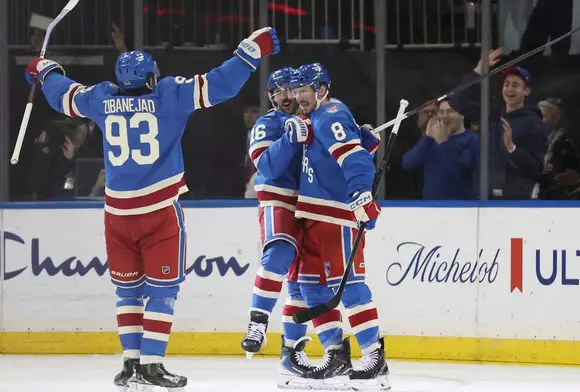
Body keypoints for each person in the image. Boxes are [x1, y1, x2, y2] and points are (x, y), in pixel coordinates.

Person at [24, 27, 280, 391]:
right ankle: (152, 365)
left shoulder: (100, 98)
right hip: (158, 211)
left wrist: (44, 69)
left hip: (117, 215)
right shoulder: (170, 95)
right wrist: (250, 51)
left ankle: (131, 365)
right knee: (162, 292)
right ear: (151, 77)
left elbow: (63, 96)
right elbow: (222, 84)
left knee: (127, 293)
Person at [285, 63, 390, 391]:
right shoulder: (315, 117)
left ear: (322, 89)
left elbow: (354, 160)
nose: (298, 96)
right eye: (296, 89)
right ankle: (336, 354)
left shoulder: (329, 113)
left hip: (335, 215)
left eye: (305, 89)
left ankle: (374, 358)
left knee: (353, 285)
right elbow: (332, 155)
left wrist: (361, 196)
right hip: (312, 214)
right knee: (310, 285)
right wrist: (365, 140)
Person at [240, 66, 315, 387]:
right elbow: (266, 166)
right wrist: (289, 136)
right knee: (279, 254)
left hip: (313, 204)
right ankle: (257, 321)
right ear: (271, 96)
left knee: (301, 282)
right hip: (280, 200)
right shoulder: (266, 124)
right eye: (279, 91)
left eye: (292, 89)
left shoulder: (317, 118)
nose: (287, 96)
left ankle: (292, 353)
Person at [448, 48, 548, 199]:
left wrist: (512, 149)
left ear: (526, 91)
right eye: (507, 84)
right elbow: (457, 101)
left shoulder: (534, 123)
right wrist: (478, 72)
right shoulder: (492, 115)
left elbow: (535, 167)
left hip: (517, 201)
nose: (509, 88)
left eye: (515, 84)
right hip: (485, 198)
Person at [401, 99, 480, 200]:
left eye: (450, 111)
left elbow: (457, 172)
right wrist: (427, 137)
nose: (445, 116)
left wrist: (443, 143)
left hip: (460, 209)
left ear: (462, 114)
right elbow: (407, 164)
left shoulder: (472, 139)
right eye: (441, 112)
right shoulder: (430, 141)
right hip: (430, 208)